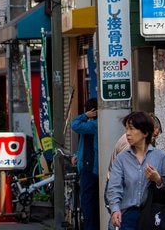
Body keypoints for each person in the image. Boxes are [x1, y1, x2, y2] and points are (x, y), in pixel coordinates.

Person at [105, 111, 165, 230]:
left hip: (155, 216)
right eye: (126, 129)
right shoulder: (121, 159)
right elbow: (114, 187)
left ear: (145, 132)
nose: (127, 133)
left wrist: (158, 180)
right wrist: (115, 209)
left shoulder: (162, 157)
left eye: (132, 129)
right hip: (129, 216)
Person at [70, 98, 99, 230]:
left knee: (88, 202)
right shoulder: (95, 125)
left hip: (90, 168)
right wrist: (77, 154)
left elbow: (74, 125)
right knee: (94, 201)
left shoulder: (94, 125)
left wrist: (85, 115)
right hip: (92, 167)